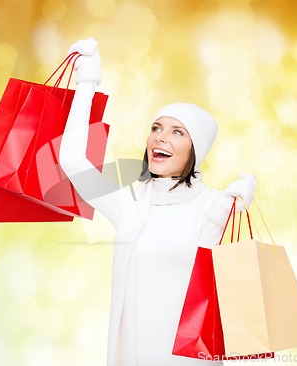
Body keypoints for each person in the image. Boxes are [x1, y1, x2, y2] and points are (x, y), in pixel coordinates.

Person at [59, 37, 256, 366]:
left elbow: (241, 307)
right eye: (156, 128)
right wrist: (87, 83)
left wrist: (235, 209)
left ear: (196, 151)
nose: (161, 137)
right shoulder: (130, 204)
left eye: (178, 132)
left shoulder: (212, 209)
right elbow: (71, 162)